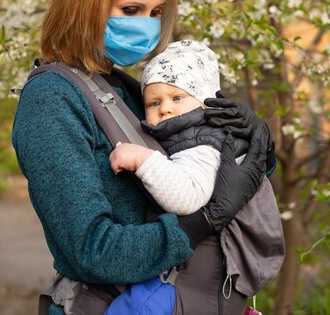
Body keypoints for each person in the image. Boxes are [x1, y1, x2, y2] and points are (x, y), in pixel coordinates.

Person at [11, 0, 276, 315]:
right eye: (131, 10)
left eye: (156, 12)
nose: (147, 25)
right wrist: (202, 222)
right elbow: (93, 250)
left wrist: (253, 144)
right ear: (85, 2)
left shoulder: (126, 89)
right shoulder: (52, 100)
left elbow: (196, 169)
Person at [105, 39, 284, 315]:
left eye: (177, 98)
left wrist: (143, 160)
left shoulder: (202, 144)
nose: (165, 108)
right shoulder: (189, 135)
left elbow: (187, 197)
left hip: (201, 278)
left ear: (204, 100)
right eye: (154, 102)